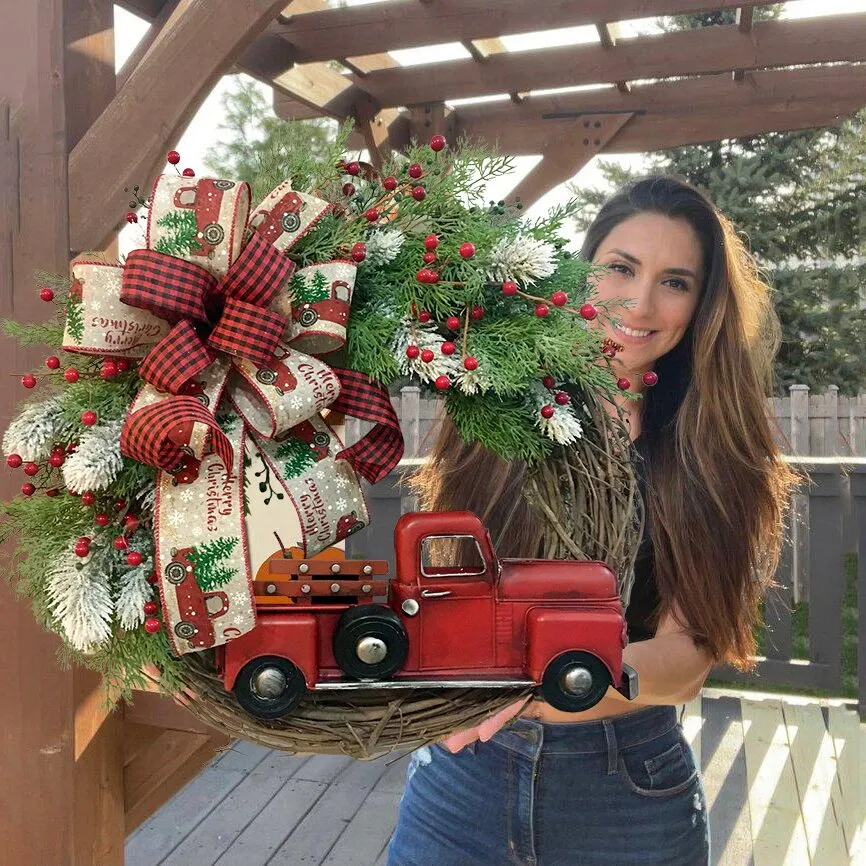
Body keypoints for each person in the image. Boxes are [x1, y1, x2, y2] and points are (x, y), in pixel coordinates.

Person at [386, 176, 799, 866]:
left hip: (624, 795)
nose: (640, 303)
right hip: (464, 781)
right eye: (620, 268)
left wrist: (561, 683)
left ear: (702, 305)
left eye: (675, 282)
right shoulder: (501, 407)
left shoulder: (713, 451)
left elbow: (687, 659)